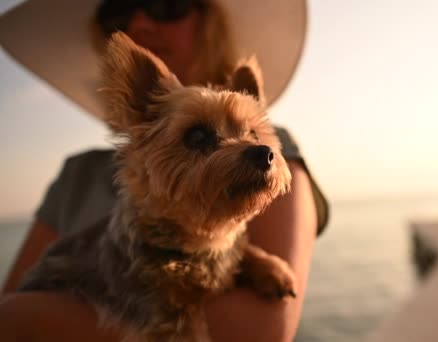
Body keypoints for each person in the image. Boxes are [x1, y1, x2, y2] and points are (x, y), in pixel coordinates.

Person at [0, 0, 329, 341]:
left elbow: (261, 330)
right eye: (117, 13)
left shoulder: (279, 150)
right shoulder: (76, 174)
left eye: (165, 5)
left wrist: (249, 260)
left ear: (210, 23)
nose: (140, 23)